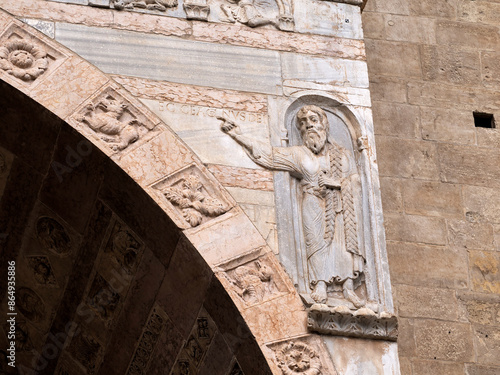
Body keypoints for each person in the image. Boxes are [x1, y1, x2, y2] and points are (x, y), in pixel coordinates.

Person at [219, 105, 365, 307]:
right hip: (312, 202)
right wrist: (238, 135)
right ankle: (320, 284)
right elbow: (270, 155)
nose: (308, 126)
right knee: (314, 242)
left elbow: (355, 181)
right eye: (303, 124)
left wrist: (336, 184)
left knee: (342, 244)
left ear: (324, 123)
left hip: (340, 206)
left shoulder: (343, 155)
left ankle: (348, 288)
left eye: (313, 120)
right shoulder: (299, 154)